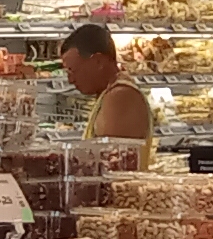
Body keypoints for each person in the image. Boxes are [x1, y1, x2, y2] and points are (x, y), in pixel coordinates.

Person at [59, 23, 151, 152]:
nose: (70, 80)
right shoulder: (109, 93)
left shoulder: (120, 97)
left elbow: (112, 159)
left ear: (98, 62)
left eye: (72, 70)